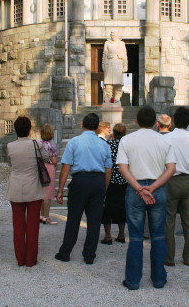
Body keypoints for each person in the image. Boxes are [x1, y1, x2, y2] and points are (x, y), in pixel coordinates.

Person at [117, 106, 176, 290]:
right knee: (158, 235)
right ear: (155, 122)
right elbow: (171, 168)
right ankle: (158, 279)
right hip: (156, 188)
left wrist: (140, 189)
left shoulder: (127, 140)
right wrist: (153, 187)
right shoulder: (164, 141)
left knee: (135, 237)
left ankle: (133, 280)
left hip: (136, 189)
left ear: (136, 120)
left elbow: (122, 167)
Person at [55, 113, 112, 265]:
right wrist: (104, 190)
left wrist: (60, 190)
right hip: (98, 181)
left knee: (74, 218)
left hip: (80, 180)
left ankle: (65, 252)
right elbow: (108, 170)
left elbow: (66, 167)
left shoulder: (74, 142)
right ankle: (89, 254)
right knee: (94, 220)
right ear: (97, 127)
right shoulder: (104, 145)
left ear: (82, 125)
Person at [5, 116, 49, 267]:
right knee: (32, 226)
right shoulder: (36, 144)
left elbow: (10, 163)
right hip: (33, 186)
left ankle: (20, 258)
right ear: (30, 129)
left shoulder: (10, 146)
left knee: (18, 226)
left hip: (16, 186)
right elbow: (46, 158)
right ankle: (31, 259)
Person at [162, 107, 189, 267]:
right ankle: (187, 256)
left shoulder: (168, 137)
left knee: (169, 219)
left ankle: (169, 257)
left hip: (171, 179)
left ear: (174, 120)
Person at [101, 123, 128, 245]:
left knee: (107, 207)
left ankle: (108, 236)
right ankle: (121, 234)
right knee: (122, 207)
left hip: (110, 179)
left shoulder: (108, 144)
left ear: (114, 133)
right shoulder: (128, 145)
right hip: (125, 179)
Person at [39, 123, 58, 225]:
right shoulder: (50, 146)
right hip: (48, 169)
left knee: (42, 193)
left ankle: (41, 215)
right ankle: (47, 216)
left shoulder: (39, 144)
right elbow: (54, 161)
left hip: (40, 169)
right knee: (48, 194)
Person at [102, 31, 128, 103]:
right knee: (108, 84)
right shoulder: (107, 43)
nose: (113, 36)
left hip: (118, 64)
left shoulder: (121, 43)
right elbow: (104, 55)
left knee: (118, 84)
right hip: (109, 64)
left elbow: (125, 55)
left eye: (114, 35)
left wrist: (125, 66)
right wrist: (103, 65)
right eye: (112, 35)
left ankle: (117, 98)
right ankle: (108, 98)